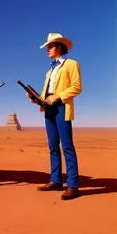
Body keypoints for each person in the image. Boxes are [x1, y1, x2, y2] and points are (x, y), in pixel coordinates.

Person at [28, 33, 82, 200]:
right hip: (49, 109)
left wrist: (58, 96)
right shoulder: (49, 71)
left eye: (50, 47)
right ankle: (56, 181)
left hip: (62, 107)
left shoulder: (71, 64)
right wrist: (37, 99)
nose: (47, 50)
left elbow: (77, 86)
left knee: (67, 146)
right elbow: (47, 94)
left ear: (59, 47)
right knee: (52, 146)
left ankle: (72, 185)